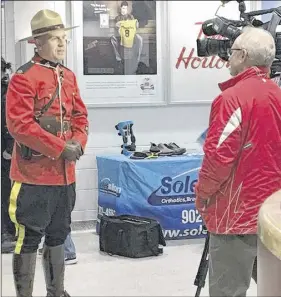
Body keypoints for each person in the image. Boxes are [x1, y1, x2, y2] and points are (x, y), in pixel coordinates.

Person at [6, 9, 88, 297]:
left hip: (65, 177)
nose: (62, 44)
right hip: (34, 177)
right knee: (27, 240)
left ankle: (57, 291)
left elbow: (80, 117)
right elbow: (19, 126)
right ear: (37, 43)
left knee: (58, 235)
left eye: (64, 38)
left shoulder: (68, 76)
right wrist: (59, 148)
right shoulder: (24, 78)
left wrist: (78, 142)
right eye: (55, 39)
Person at [195, 26, 281, 297]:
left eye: (231, 53)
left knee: (228, 292)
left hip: (235, 216)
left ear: (242, 55)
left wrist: (202, 196)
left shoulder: (231, 99)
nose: (227, 59)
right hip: (273, 216)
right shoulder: (278, 96)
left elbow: (219, 159)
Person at [1, 57, 16, 253]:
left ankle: (7, 233)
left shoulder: (7, 92)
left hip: (4, 152)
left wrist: (9, 149)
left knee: (5, 192)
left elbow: (11, 123)